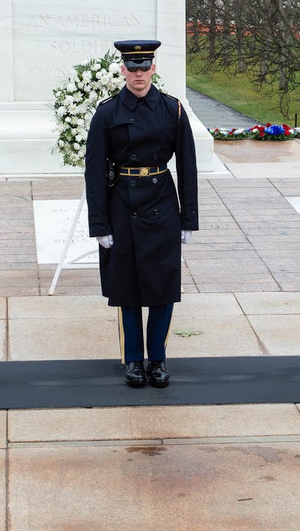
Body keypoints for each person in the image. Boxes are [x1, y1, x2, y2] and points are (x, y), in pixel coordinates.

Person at [85, 40, 199, 388]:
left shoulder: (172, 110)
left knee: (162, 286)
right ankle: (134, 360)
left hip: (162, 203)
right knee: (127, 288)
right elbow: (93, 170)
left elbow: (188, 166)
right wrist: (100, 225)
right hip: (123, 204)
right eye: (132, 68)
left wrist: (188, 218)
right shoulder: (107, 112)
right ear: (122, 70)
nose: (138, 74)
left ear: (153, 69)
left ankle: (158, 359)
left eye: (144, 67)